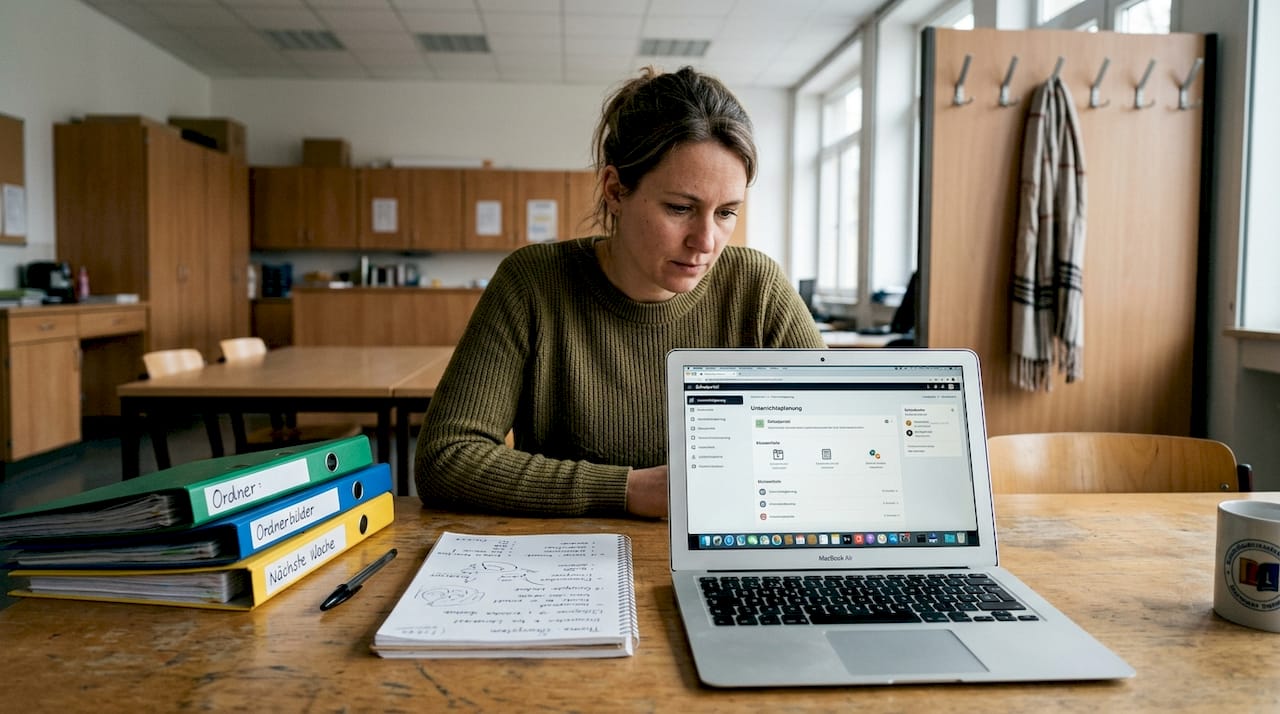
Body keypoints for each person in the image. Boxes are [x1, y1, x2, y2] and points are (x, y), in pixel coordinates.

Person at [415, 66, 825, 518]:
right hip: (566, 564)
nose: (706, 241)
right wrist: (626, 490)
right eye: (680, 208)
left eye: (726, 212)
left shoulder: (757, 288)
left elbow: (835, 440)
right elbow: (446, 458)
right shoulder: (533, 283)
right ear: (615, 190)